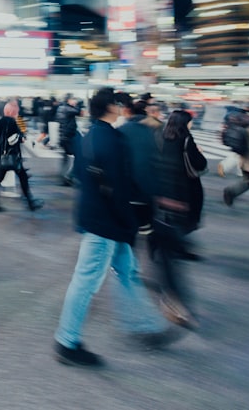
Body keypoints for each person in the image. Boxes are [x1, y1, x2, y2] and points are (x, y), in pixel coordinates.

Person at [53, 88, 177, 368]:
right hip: (106, 224)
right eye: (118, 103)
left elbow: (87, 180)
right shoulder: (112, 140)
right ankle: (66, 341)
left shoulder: (91, 136)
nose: (122, 107)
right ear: (110, 107)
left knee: (128, 272)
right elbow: (119, 190)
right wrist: (130, 223)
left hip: (98, 218)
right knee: (85, 281)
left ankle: (146, 324)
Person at [152, 110, 206, 329]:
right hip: (180, 198)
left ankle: (172, 297)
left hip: (160, 199)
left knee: (166, 250)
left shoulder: (159, 136)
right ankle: (173, 302)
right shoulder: (186, 139)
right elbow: (199, 165)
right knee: (169, 259)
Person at [0, 100, 44, 212]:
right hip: (12, 156)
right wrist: (21, 137)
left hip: (1, 156)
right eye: (16, 111)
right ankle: (31, 202)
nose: (17, 112)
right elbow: (19, 138)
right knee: (22, 177)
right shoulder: (11, 122)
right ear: (12, 112)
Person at [56, 96, 80, 185]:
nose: (75, 101)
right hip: (68, 136)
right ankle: (68, 176)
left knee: (65, 157)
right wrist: (76, 105)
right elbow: (78, 111)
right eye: (73, 99)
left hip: (63, 135)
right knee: (78, 155)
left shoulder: (61, 108)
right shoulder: (68, 109)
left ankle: (64, 175)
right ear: (68, 100)